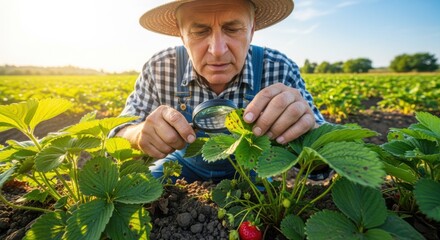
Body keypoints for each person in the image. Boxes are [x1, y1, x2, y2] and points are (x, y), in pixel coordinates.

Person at [111, 0, 326, 183]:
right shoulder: (160, 67)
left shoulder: (279, 68)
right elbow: (117, 136)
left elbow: (324, 162)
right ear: (181, 35)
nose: (217, 50)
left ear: (251, 31)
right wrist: (138, 135)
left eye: (232, 29)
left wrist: (307, 133)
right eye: (199, 31)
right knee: (146, 189)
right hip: (181, 164)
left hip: (251, 168)